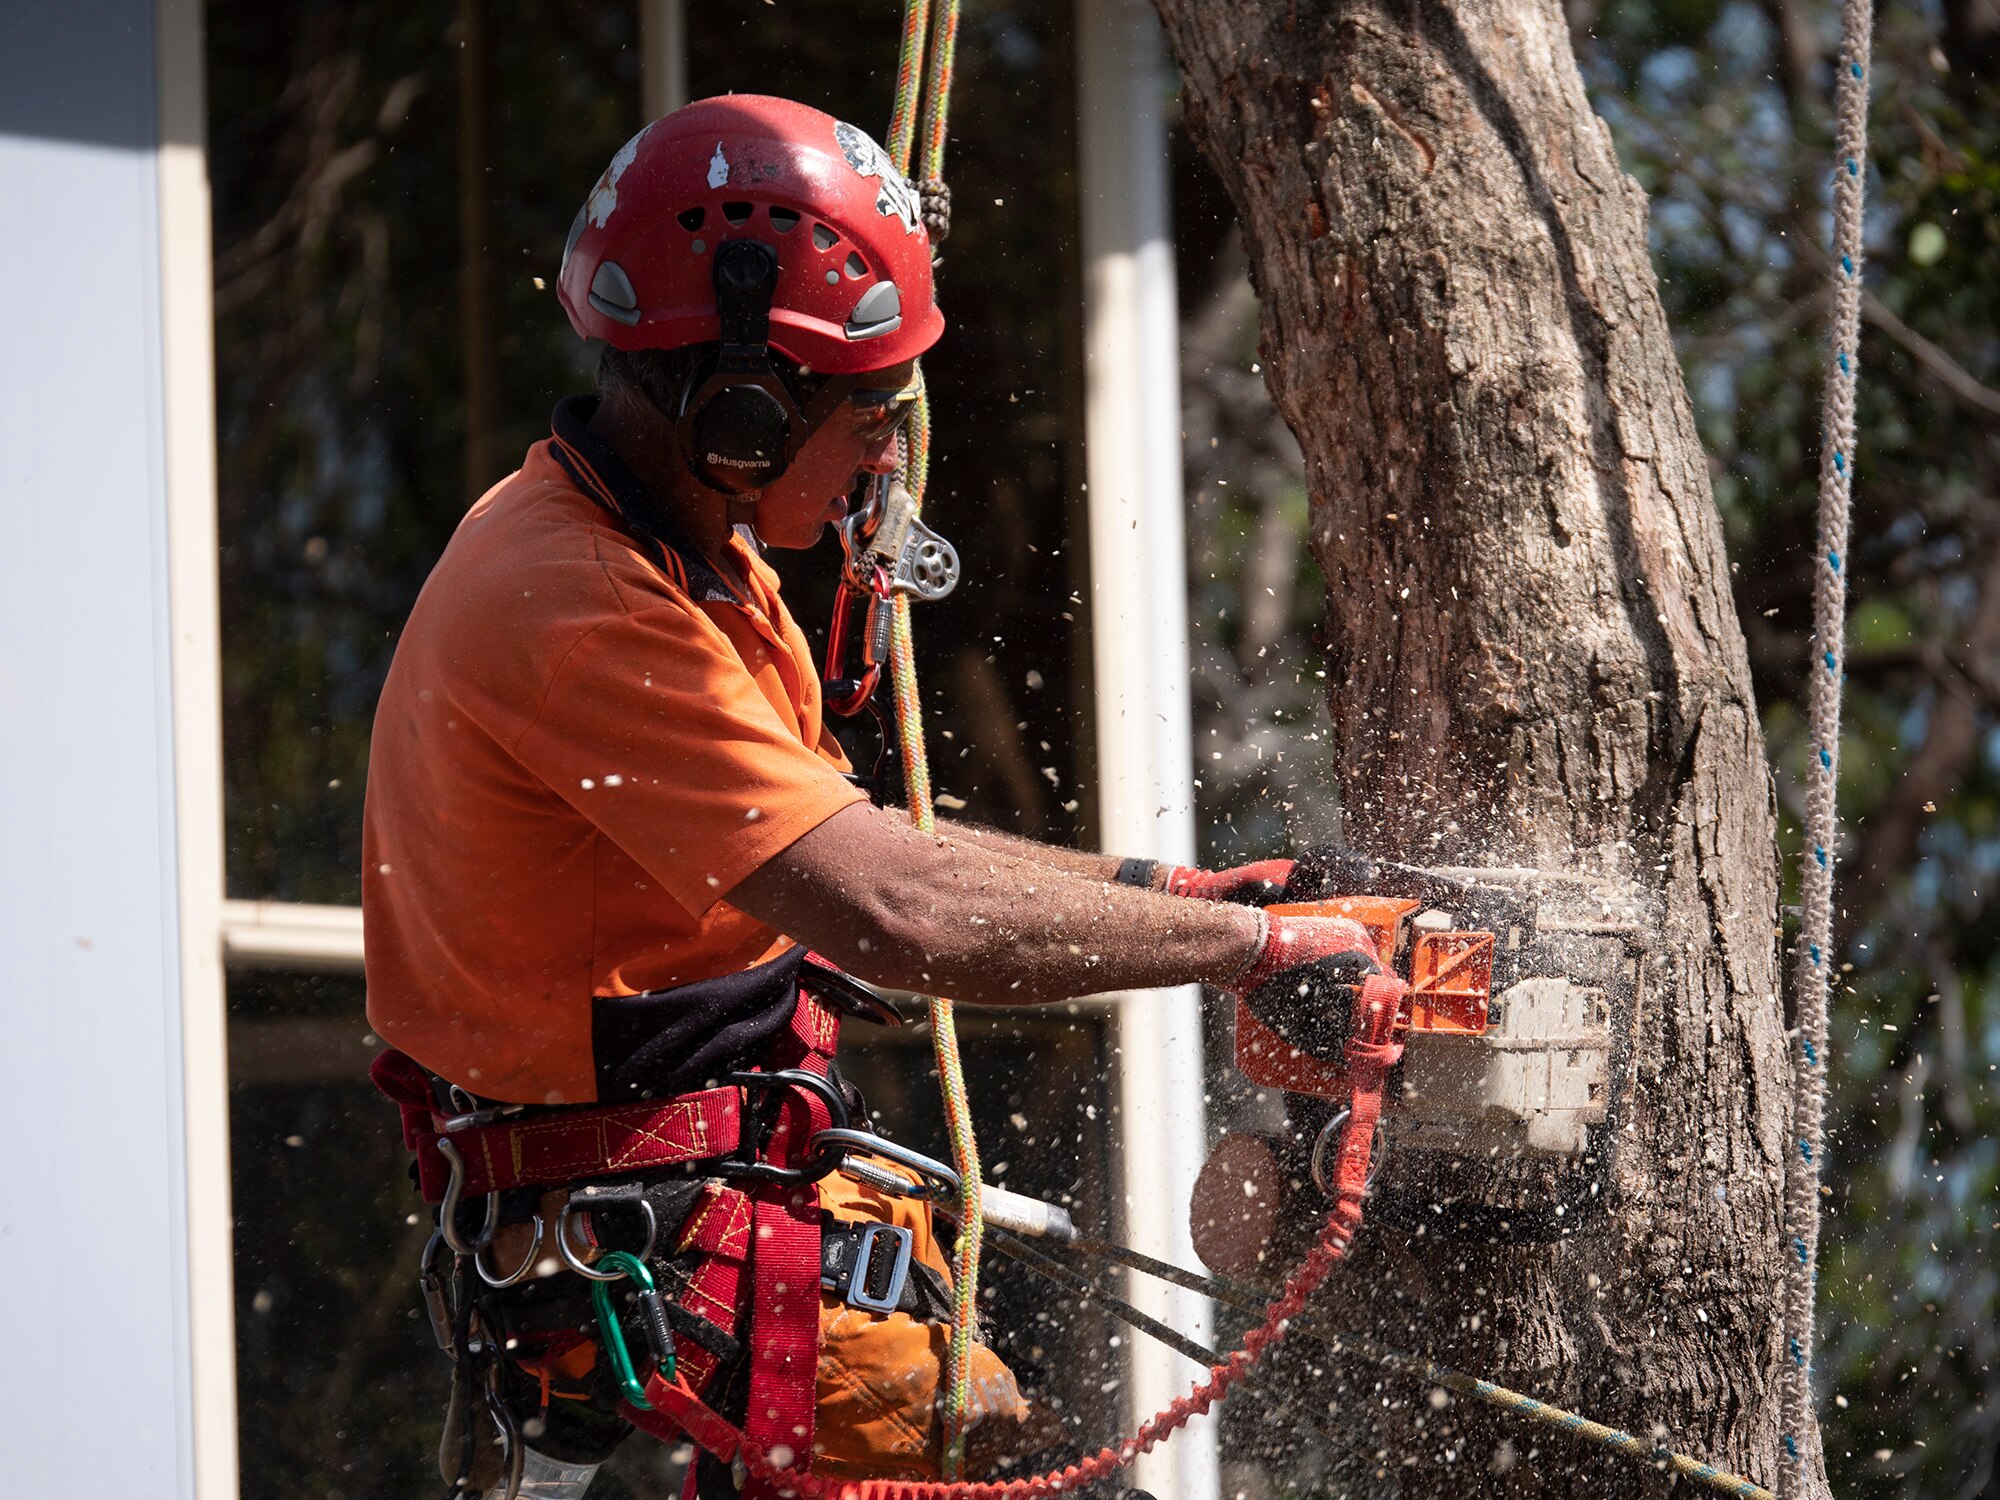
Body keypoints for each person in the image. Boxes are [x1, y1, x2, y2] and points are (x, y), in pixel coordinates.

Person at [362, 95, 1382, 1500]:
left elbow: (871, 849)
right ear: (744, 403)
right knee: (976, 1442)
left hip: (683, 1210)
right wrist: (1260, 954)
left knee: (980, 1417)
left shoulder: (682, 562)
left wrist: (1179, 898)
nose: (889, 453)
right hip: (637, 1244)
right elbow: (895, 912)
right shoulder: (580, 603)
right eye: (871, 409)